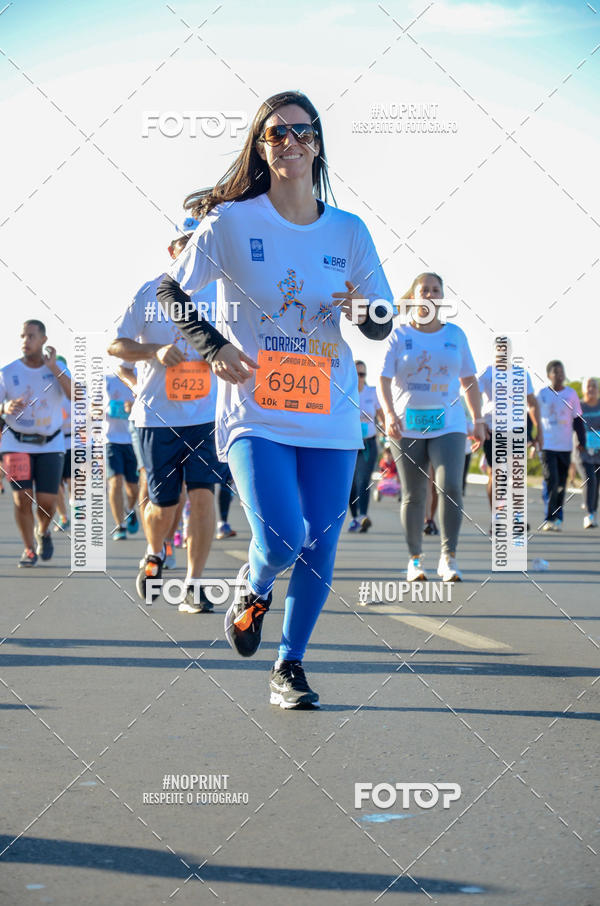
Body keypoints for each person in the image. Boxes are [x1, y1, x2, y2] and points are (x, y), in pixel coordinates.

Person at [156, 90, 393, 708]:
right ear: (262, 148)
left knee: (321, 542)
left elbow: (380, 318)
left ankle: (289, 665)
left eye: (303, 132)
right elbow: (170, 292)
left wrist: (363, 310)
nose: (292, 142)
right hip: (255, 408)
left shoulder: (349, 230)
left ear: (319, 143)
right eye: (277, 134)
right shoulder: (232, 223)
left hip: (330, 408)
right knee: (285, 534)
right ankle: (253, 585)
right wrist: (212, 347)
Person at [108, 221, 224, 614]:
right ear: (173, 251)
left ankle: (194, 583)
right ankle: (155, 553)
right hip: (157, 418)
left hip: (207, 416)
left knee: (204, 496)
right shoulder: (149, 292)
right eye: (185, 244)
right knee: (164, 504)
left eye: (200, 245)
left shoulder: (225, 294)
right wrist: (153, 351)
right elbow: (117, 345)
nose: (193, 251)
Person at [379, 273, 484, 583]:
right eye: (424, 289)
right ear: (414, 297)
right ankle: (415, 559)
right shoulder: (398, 336)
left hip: (449, 423)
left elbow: (469, 380)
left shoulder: (456, 335)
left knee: (450, 486)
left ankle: (448, 557)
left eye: (435, 290)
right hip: (406, 424)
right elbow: (383, 379)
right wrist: (387, 414)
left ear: (442, 297)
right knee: (413, 494)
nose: (429, 294)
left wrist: (477, 419)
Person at [0, 320, 71, 566]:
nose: (25, 341)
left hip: (50, 443)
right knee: (21, 499)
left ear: (43, 340)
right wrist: (4, 407)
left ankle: (43, 531)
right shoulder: (7, 372)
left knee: (47, 502)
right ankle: (29, 548)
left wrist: (54, 369)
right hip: (15, 442)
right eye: (22, 336)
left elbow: (77, 396)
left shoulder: (58, 368)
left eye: (31, 336)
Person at [478, 363, 541, 532]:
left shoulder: (521, 373)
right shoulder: (487, 372)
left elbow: (532, 402)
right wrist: (479, 423)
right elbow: (474, 396)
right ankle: (497, 518)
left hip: (516, 429)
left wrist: (538, 430)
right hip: (493, 429)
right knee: (496, 475)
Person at [537, 361, 585, 531]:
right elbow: (532, 415)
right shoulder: (542, 394)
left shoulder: (571, 395)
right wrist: (531, 438)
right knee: (553, 480)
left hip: (565, 447)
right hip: (547, 445)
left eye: (561, 371)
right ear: (549, 375)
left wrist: (581, 440)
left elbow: (578, 420)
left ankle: (558, 518)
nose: (559, 375)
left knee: (560, 484)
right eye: (555, 372)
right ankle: (549, 518)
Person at [348, 361, 383, 532]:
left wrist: (386, 431)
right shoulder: (344, 392)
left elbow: (382, 415)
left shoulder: (372, 393)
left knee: (363, 481)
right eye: (356, 374)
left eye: (362, 374)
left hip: (368, 443)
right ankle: (355, 517)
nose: (359, 378)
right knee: (351, 484)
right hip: (349, 444)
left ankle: (363, 516)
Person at [104, 372, 140, 540]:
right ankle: (120, 525)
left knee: (133, 489)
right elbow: (90, 408)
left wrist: (135, 407)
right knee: (115, 481)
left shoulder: (140, 375)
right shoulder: (105, 380)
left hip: (133, 439)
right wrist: (97, 410)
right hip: (110, 439)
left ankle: (129, 509)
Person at [53, 354, 72, 533]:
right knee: (56, 484)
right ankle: (64, 516)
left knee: (72, 481)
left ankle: (73, 511)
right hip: (55, 443)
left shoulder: (73, 389)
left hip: (73, 442)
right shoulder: (49, 389)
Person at [579, 376, 600, 528]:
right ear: (583, 389)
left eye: (594, 385)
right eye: (588, 386)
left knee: (596, 483)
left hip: (598, 451)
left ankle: (593, 512)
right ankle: (589, 514)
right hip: (582, 451)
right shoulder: (578, 406)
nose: (591, 388)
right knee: (589, 480)